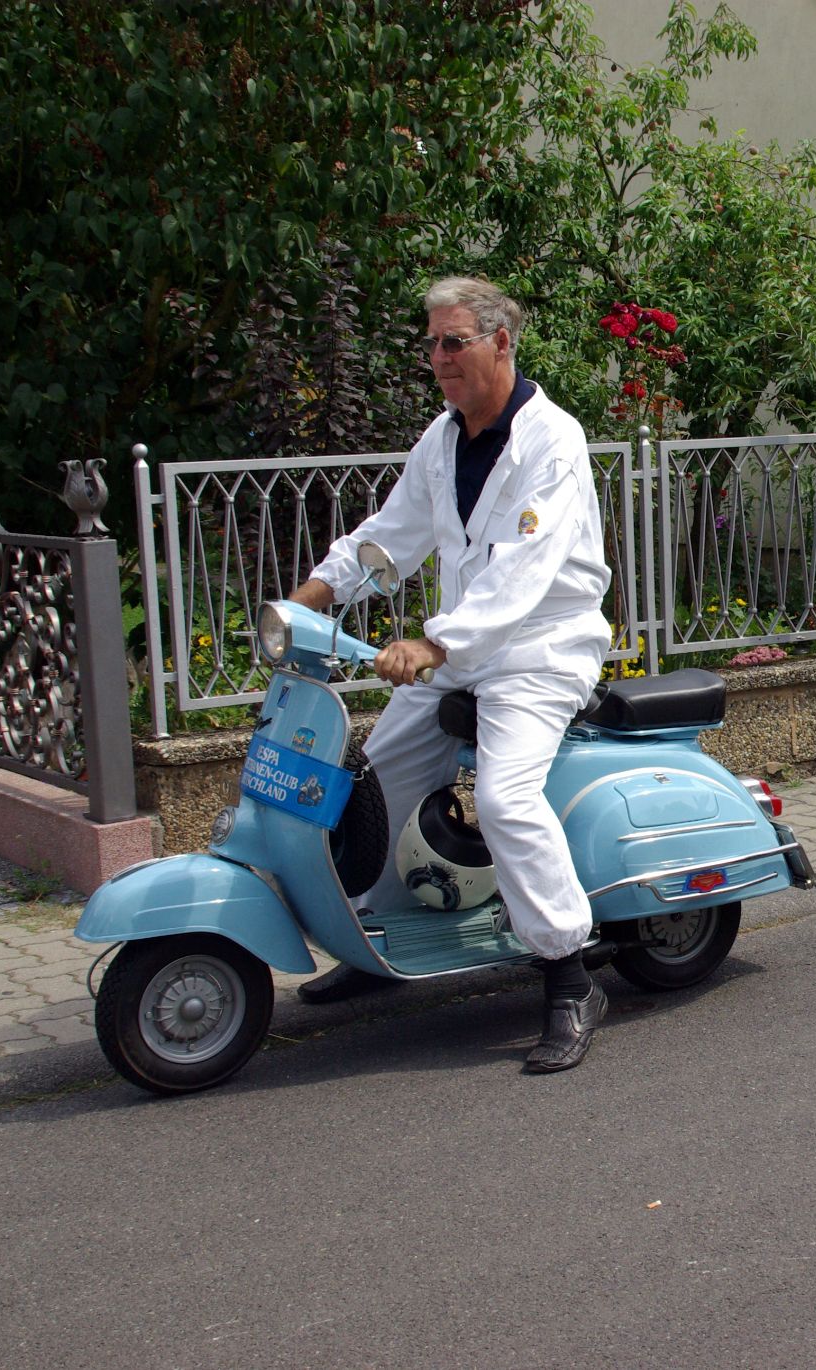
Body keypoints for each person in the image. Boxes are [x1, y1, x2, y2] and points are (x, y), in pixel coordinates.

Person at [287, 275, 616, 1073]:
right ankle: (374, 945)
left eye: (453, 341)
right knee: (372, 783)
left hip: (541, 650)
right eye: (431, 343)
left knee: (504, 799)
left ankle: (569, 978)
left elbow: (523, 569)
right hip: (462, 650)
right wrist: (310, 597)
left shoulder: (552, 441)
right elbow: (389, 536)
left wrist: (436, 644)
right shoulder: (441, 439)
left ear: (502, 342)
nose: (438, 357)